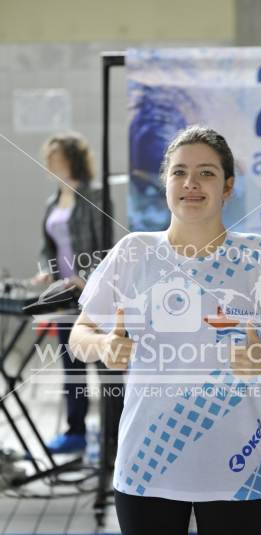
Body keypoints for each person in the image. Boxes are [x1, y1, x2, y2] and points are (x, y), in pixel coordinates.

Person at [69, 126, 261, 535]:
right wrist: (102, 344)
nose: (190, 183)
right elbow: (79, 334)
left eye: (206, 173)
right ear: (165, 184)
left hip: (238, 469)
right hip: (144, 465)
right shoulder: (134, 251)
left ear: (227, 188)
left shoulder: (257, 255)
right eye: (179, 172)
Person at [32, 131, 112, 454]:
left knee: (103, 369)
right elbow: (47, 246)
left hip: (91, 294)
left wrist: (86, 278)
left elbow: (105, 248)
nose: (52, 164)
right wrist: (46, 272)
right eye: (49, 159)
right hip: (63, 296)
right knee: (72, 367)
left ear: (72, 160)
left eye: (58, 158)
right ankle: (75, 432)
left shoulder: (94, 197)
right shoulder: (53, 201)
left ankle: (110, 439)